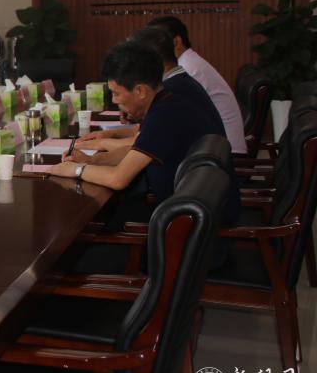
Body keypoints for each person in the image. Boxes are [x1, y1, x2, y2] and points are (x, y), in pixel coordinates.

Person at [51, 41, 238, 225]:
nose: (114, 100)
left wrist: (76, 170)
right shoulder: (167, 101)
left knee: (94, 222)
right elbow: (135, 152)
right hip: (193, 212)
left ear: (140, 90)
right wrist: (92, 160)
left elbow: (118, 179)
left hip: (186, 225)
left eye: (116, 93)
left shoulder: (164, 115)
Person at [74, 26, 225, 160]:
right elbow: (147, 133)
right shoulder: (176, 83)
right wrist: (110, 135)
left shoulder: (172, 93)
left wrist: (99, 146)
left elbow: (142, 143)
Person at [148, 16, 248, 155]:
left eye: (156, 43)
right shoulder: (187, 62)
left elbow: (167, 118)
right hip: (214, 146)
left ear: (176, 42)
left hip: (223, 154)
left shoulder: (188, 68)